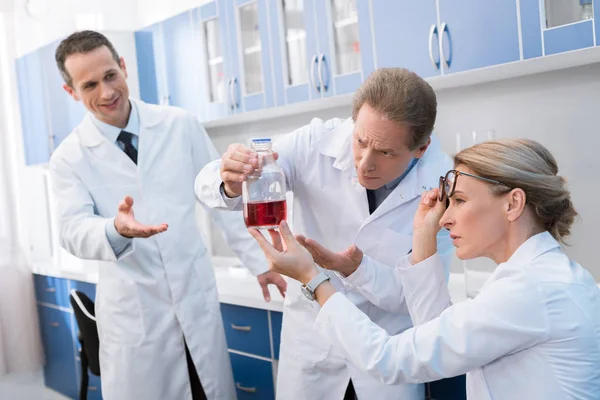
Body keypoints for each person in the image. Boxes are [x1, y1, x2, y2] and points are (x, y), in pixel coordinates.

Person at [250, 138, 600, 400]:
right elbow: (439, 333)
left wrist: (313, 279)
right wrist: (423, 236)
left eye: (460, 201)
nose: (446, 218)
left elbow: (391, 359)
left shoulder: (531, 290)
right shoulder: (538, 276)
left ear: (513, 203)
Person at [49, 30, 286, 400]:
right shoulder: (69, 157)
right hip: (136, 320)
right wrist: (115, 229)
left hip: (195, 300)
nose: (107, 92)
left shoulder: (179, 124)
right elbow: (71, 230)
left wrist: (261, 262)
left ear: (124, 67)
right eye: (90, 84)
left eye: (111, 75)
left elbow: (221, 198)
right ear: (72, 92)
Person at [196, 68, 456, 399]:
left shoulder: (442, 185)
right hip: (312, 350)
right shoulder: (314, 143)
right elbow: (209, 184)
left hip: (385, 358)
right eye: (360, 141)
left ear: (421, 149)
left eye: (386, 152)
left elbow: (417, 300)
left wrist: (355, 268)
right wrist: (230, 181)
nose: (365, 163)